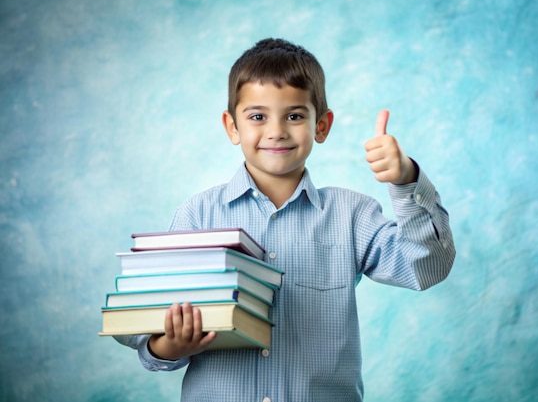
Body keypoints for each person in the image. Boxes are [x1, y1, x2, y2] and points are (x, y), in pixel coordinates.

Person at [115, 38, 455, 401]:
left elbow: (426, 268)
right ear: (232, 127)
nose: (276, 131)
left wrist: (406, 180)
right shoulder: (198, 215)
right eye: (257, 116)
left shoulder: (352, 216)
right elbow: (142, 329)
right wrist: (171, 345)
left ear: (321, 126)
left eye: (294, 116)